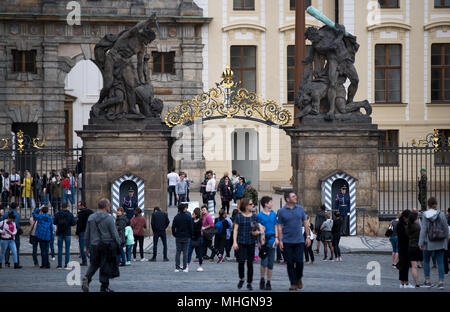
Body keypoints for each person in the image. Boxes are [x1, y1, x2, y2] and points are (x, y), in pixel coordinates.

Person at [82, 198, 121, 292]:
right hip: (106, 245)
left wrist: (86, 246)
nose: (110, 206)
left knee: (94, 263)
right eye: (109, 205)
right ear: (106, 206)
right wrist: (118, 244)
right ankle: (104, 287)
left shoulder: (91, 217)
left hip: (95, 245)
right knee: (105, 265)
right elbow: (114, 234)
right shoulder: (109, 218)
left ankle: (87, 278)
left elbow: (87, 233)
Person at [277, 191, 311, 291]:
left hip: (299, 241)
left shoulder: (300, 209)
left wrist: (308, 236)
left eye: (295, 196)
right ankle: (293, 283)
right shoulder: (282, 211)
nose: (295, 197)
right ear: (287, 199)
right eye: (293, 196)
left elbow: (305, 223)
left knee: (300, 262)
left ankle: (299, 277)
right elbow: (279, 226)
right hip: (287, 241)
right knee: (290, 263)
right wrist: (280, 240)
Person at [418, 197, 449, 289]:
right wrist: (446, 241)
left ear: (428, 204)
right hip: (440, 241)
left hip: (428, 242)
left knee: (426, 261)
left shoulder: (425, 215)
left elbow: (423, 230)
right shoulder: (442, 214)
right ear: (436, 204)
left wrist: (420, 242)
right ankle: (441, 282)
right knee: (440, 262)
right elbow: (446, 228)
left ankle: (427, 281)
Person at [233, 198, 262, 291]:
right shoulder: (239, 216)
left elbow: (256, 229)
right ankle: (242, 278)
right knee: (241, 262)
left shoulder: (254, 216)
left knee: (250, 264)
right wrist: (234, 242)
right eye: (250, 204)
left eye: (252, 204)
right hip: (241, 241)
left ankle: (249, 282)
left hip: (251, 242)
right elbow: (235, 230)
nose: (252, 205)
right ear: (245, 206)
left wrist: (258, 239)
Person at [257, 196, 277, 290]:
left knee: (271, 263)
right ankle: (262, 279)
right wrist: (258, 242)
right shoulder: (259, 215)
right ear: (266, 204)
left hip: (272, 240)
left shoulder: (273, 214)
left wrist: (277, 238)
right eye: (271, 202)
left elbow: (276, 226)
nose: (272, 204)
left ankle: (268, 281)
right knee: (264, 262)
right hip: (263, 241)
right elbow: (256, 229)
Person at [54, 202, 76, 269]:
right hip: (67, 233)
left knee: (60, 250)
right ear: (67, 207)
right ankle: (66, 264)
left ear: (61, 207)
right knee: (67, 250)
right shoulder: (70, 214)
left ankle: (59, 265)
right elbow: (73, 223)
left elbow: (54, 222)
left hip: (60, 232)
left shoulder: (58, 214)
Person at [172, 203, 193, 272]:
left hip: (178, 236)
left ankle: (177, 267)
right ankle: (184, 267)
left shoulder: (176, 217)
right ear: (184, 209)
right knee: (185, 252)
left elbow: (173, 227)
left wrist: (175, 234)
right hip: (186, 236)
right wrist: (190, 235)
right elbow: (191, 227)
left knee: (178, 252)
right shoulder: (188, 217)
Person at [1, 202, 21, 267]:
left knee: (6, 249)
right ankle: (16, 262)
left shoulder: (5, 213)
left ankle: (7, 261)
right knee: (15, 248)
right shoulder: (17, 214)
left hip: (5, 233)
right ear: (16, 207)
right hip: (12, 233)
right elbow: (16, 224)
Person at [397, 209, 413, 288]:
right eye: (408, 218)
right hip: (403, 247)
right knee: (404, 265)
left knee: (404, 265)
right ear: (404, 217)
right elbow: (403, 236)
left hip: (404, 247)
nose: (409, 219)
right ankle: (404, 282)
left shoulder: (404, 224)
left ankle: (404, 283)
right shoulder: (400, 225)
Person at [407, 211, 422, 288]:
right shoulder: (417, 226)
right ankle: (425, 281)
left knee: (413, 266)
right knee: (421, 264)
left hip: (410, 247)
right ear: (416, 218)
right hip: (417, 247)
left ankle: (417, 283)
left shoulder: (408, 226)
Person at [76, 201, 93, 266]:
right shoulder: (91, 212)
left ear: (82, 206)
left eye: (79, 205)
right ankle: (92, 261)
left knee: (82, 246)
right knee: (91, 246)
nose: (78, 207)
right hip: (90, 231)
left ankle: (84, 261)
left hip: (82, 231)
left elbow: (79, 224)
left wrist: (77, 233)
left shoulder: (80, 213)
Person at [186, 207, 204, 272]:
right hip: (192, 238)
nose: (192, 214)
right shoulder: (191, 220)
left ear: (196, 214)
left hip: (198, 238)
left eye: (193, 213)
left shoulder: (200, 221)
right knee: (189, 252)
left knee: (199, 253)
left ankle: (200, 265)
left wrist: (192, 231)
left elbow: (197, 231)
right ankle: (187, 266)